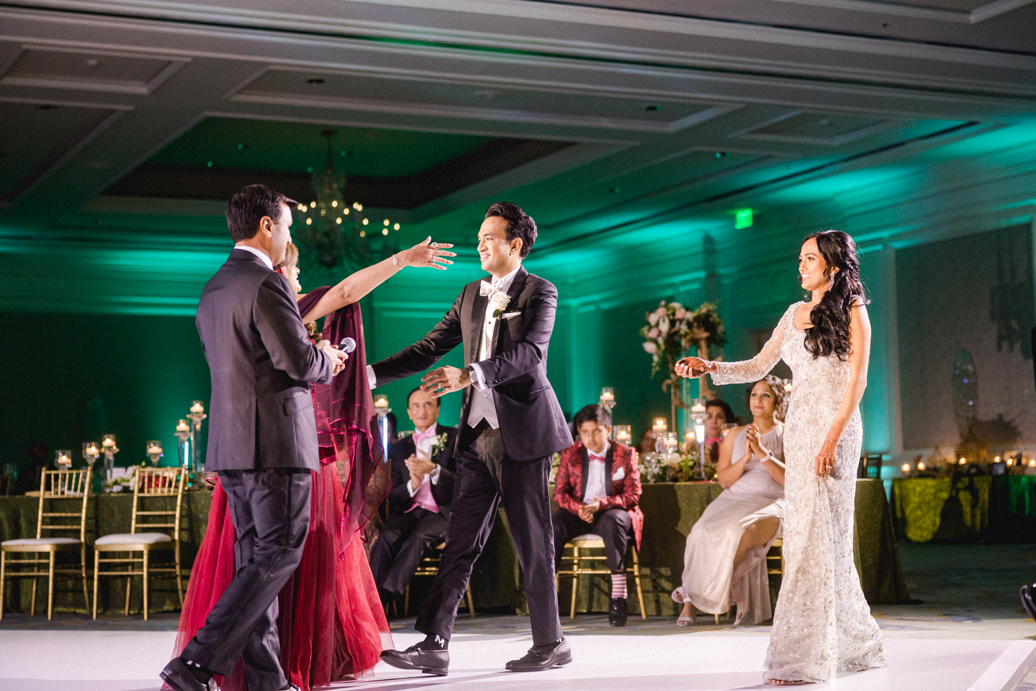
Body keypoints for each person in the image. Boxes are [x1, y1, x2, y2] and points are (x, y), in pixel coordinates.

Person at [171, 234, 455, 691]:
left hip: (247, 448)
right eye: (297, 269)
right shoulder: (282, 304)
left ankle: (266, 674)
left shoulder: (228, 300)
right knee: (274, 562)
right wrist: (402, 259)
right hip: (286, 450)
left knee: (259, 566)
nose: (301, 278)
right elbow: (346, 291)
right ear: (280, 270)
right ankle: (214, 662)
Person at [371, 201, 573, 676]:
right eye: (479, 238)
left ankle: (551, 642)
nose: (480, 245)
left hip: (523, 434)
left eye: (489, 238)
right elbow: (429, 347)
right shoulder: (470, 293)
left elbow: (530, 354)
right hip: (476, 438)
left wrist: (470, 374)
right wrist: (368, 375)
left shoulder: (540, 292)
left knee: (532, 541)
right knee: (460, 541)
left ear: (515, 244)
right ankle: (435, 642)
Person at [677, 230, 886, 685]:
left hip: (836, 431)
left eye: (810, 258)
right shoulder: (793, 313)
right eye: (800, 258)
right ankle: (845, 644)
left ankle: (809, 656)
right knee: (804, 538)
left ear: (833, 265)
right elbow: (758, 366)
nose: (801, 266)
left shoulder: (854, 310)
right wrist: (711, 367)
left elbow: (857, 382)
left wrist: (831, 439)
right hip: (802, 430)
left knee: (824, 538)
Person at [162, 184, 345, 691]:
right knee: (278, 552)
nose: (289, 238)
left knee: (256, 562)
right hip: (276, 443)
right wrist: (327, 359)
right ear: (267, 226)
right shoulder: (267, 283)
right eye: (287, 227)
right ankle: (195, 662)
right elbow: (298, 361)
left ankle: (268, 682)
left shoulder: (214, 288)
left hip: (232, 444)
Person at [673, 376, 786, 627]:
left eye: (766, 395)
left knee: (740, 533)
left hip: (772, 501)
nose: (758, 400)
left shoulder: (789, 433)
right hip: (734, 498)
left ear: (778, 401)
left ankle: (693, 595)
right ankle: (692, 600)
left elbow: (791, 481)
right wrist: (745, 458)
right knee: (699, 532)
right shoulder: (735, 434)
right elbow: (724, 480)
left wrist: (762, 453)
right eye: (754, 394)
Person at [552, 404, 642, 627]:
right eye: (585, 433)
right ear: (578, 433)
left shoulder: (625, 453)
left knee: (613, 522)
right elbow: (559, 493)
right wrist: (578, 509)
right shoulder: (570, 453)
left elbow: (632, 495)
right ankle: (548, 596)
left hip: (610, 511)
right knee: (554, 524)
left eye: (596, 432)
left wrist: (602, 504)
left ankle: (618, 598)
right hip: (578, 512)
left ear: (608, 430)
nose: (590, 439)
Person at [370, 387, 459, 606]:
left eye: (428, 404)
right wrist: (414, 484)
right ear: (409, 413)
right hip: (410, 510)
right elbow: (393, 495)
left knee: (418, 537)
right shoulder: (400, 448)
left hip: (441, 512)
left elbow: (462, 483)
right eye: (416, 406)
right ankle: (371, 599)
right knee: (386, 537)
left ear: (437, 410)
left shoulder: (454, 438)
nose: (422, 410)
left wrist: (434, 470)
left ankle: (387, 594)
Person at [704, 398, 736, 463]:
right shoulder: (695, 446)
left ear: (726, 420)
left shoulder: (733, 445)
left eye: (719, 417)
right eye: (709, 417)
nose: (714, 421)